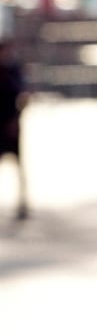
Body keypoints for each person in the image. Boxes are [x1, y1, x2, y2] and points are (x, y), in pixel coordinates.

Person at [0, 40, 28, 221]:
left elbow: (23, 96)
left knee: (18, 165)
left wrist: (15, 119)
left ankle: (23, 202)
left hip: (12, 124)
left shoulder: (13, 71)